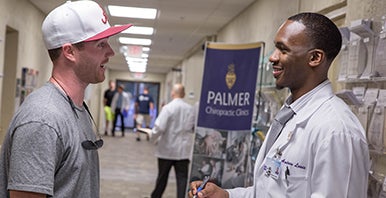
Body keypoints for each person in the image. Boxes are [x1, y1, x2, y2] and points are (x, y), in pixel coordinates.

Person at [189, 12, 370, 198]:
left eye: (283, 50)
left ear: (315, 58)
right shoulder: (290, 115)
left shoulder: (335, 130)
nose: (272, 58)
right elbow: (269, 192)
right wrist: (226, 195)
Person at [0, 1, 132, 197]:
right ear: (70, 52)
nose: (110, 52)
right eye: (101, 44)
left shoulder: (76, 108)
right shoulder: (43, 119)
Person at [150, 84, 195, 198]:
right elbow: (192, 127)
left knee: (162, 177)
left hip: (167, 150)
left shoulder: (168, 108)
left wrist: (152, 137)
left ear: (172, 93)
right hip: (183, 152)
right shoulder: (190, 109)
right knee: (182, 179)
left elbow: (159, 127)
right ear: (184, 94)